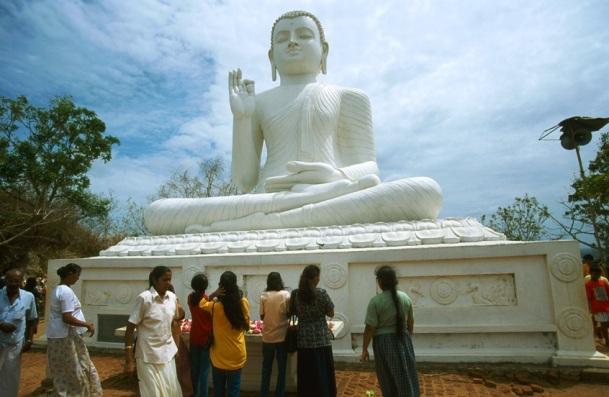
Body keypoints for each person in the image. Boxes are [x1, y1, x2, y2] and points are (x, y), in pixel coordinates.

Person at [143, 10, 442, 235]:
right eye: (283, 39)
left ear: (324, 51)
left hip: (331, 193)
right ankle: (266, 217)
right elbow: (246, 181)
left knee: (424, 192)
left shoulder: (349, 96)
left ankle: (246, 225)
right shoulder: (258, 102)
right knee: (157, 213)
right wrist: (242, 118)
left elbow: (369, 168)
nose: (293, 42)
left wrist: (332, 175)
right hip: (267, 198)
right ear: (271, 56)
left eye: (304, 35)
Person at [360, 265, 419, 397]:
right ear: (395, 281)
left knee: (387, 376)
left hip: (383, 342)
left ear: (380, 282)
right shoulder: (405, 297)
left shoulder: (376, 301)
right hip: (403, 338)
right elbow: (410, 322)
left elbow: (370, 328)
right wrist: (407, 336)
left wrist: (364, 348)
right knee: (407, 373)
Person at [124, 266, 183, 397]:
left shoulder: (172, 298)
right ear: (155, 280)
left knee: (171, 391)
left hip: (167, 354)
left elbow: (174, 324)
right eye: (164, 280)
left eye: (170, 280)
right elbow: (129, 329)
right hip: (147, 356)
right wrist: (129, 359)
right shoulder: (144, 299)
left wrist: (176, 347)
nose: (168, 283)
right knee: (153, 393)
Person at [46, 263, 102, 396]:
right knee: (75, 368)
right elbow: (67, 317)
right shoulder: (66, 291)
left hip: (57, 334)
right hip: (67, 336)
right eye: (77, 275)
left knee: (61, 368)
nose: (78, 278)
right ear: (70, 273)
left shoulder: (58, 289)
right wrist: (86, 324)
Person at [199, 271, 250, 397]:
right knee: (234, 390)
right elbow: (247, 323)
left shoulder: (215, 306)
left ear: (221, 287)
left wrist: (214, 294)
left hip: (219, 356)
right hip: (237, 353)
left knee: (219, 390)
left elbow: (201, 304)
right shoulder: (243, 302)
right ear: (235, 285)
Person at [291, 265, 336, 397]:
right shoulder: (321, 293)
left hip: (304, 339)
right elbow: (331, 313)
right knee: (322, 372)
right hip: (321, 337)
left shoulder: (295, 294)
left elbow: (292, 314)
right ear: (315, 278)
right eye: (318, 276)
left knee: (306, 373)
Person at [0, 268, 38, 397]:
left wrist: (29, 339)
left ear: (22, 281)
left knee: (11, 375)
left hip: (15, 343)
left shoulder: (28, 297)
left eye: (17, 281)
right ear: (5, 280)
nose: (13, 283)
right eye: (10, 280)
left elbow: (32, 319)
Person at [259, 272, 290, 397]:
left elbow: (262, 316)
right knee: (282, 369)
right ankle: (280, 393)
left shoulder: (264, 295)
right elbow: (289, 313)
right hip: (282, 336)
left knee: (266, 368)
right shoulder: (286, 295)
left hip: (268, 337)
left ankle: (264, 393)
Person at [188, 273, 213, 397]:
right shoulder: (207, 300)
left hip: (194, 337)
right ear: (205, 286)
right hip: (205, 339)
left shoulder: (190, 298)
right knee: (204, 371)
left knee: (194, 370)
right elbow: (205, 303)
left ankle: (194, 393)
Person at [585, 264, 609, 347]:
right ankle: (607, 342)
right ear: (591, 273)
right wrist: (590, 309)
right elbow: (588, 298)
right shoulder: (588, 284)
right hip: (598, 308)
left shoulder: (603, 282)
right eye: (595, 274)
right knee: (604, 325)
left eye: (599, 274)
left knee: (605, 325)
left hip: (606, 306)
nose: (597, 275)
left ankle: (594, 332)